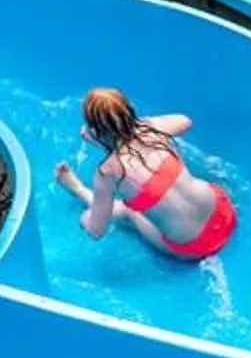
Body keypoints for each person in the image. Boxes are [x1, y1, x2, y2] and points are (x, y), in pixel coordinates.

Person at [53, 86, 237, 261]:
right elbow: (185, 121)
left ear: (94, 132)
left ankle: (78, 189)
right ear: (129, 113)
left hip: (195, 246)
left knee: (128, 212)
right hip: (224, 213)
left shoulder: (108, 172)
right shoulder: (152, 130)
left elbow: (96, 231)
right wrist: (136, 126)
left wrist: (85, 219)